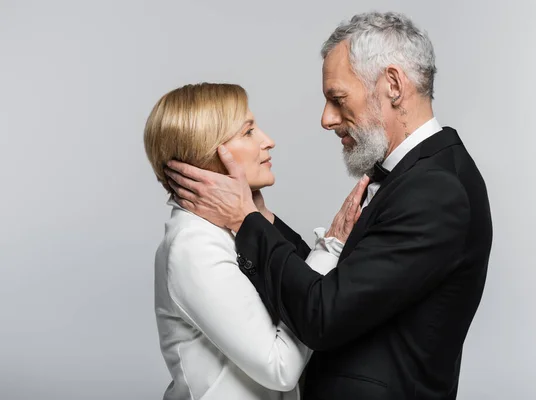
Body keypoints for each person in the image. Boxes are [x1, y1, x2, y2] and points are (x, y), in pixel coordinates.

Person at [164, 11, 493, 400]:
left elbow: (322, 314)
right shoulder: (415, 176)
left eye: (337, 99)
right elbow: (341, 293)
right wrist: (267, 221)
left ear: (393, 85)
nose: (326, 119)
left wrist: (247, 220)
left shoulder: (436, 189)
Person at [143, 82, 368, 400]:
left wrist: (257, 216)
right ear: (209, 155)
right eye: (248, 132)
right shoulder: (194, 247)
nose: (268, 142)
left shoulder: (226, 231)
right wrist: (330, 246)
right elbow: (281, 368)